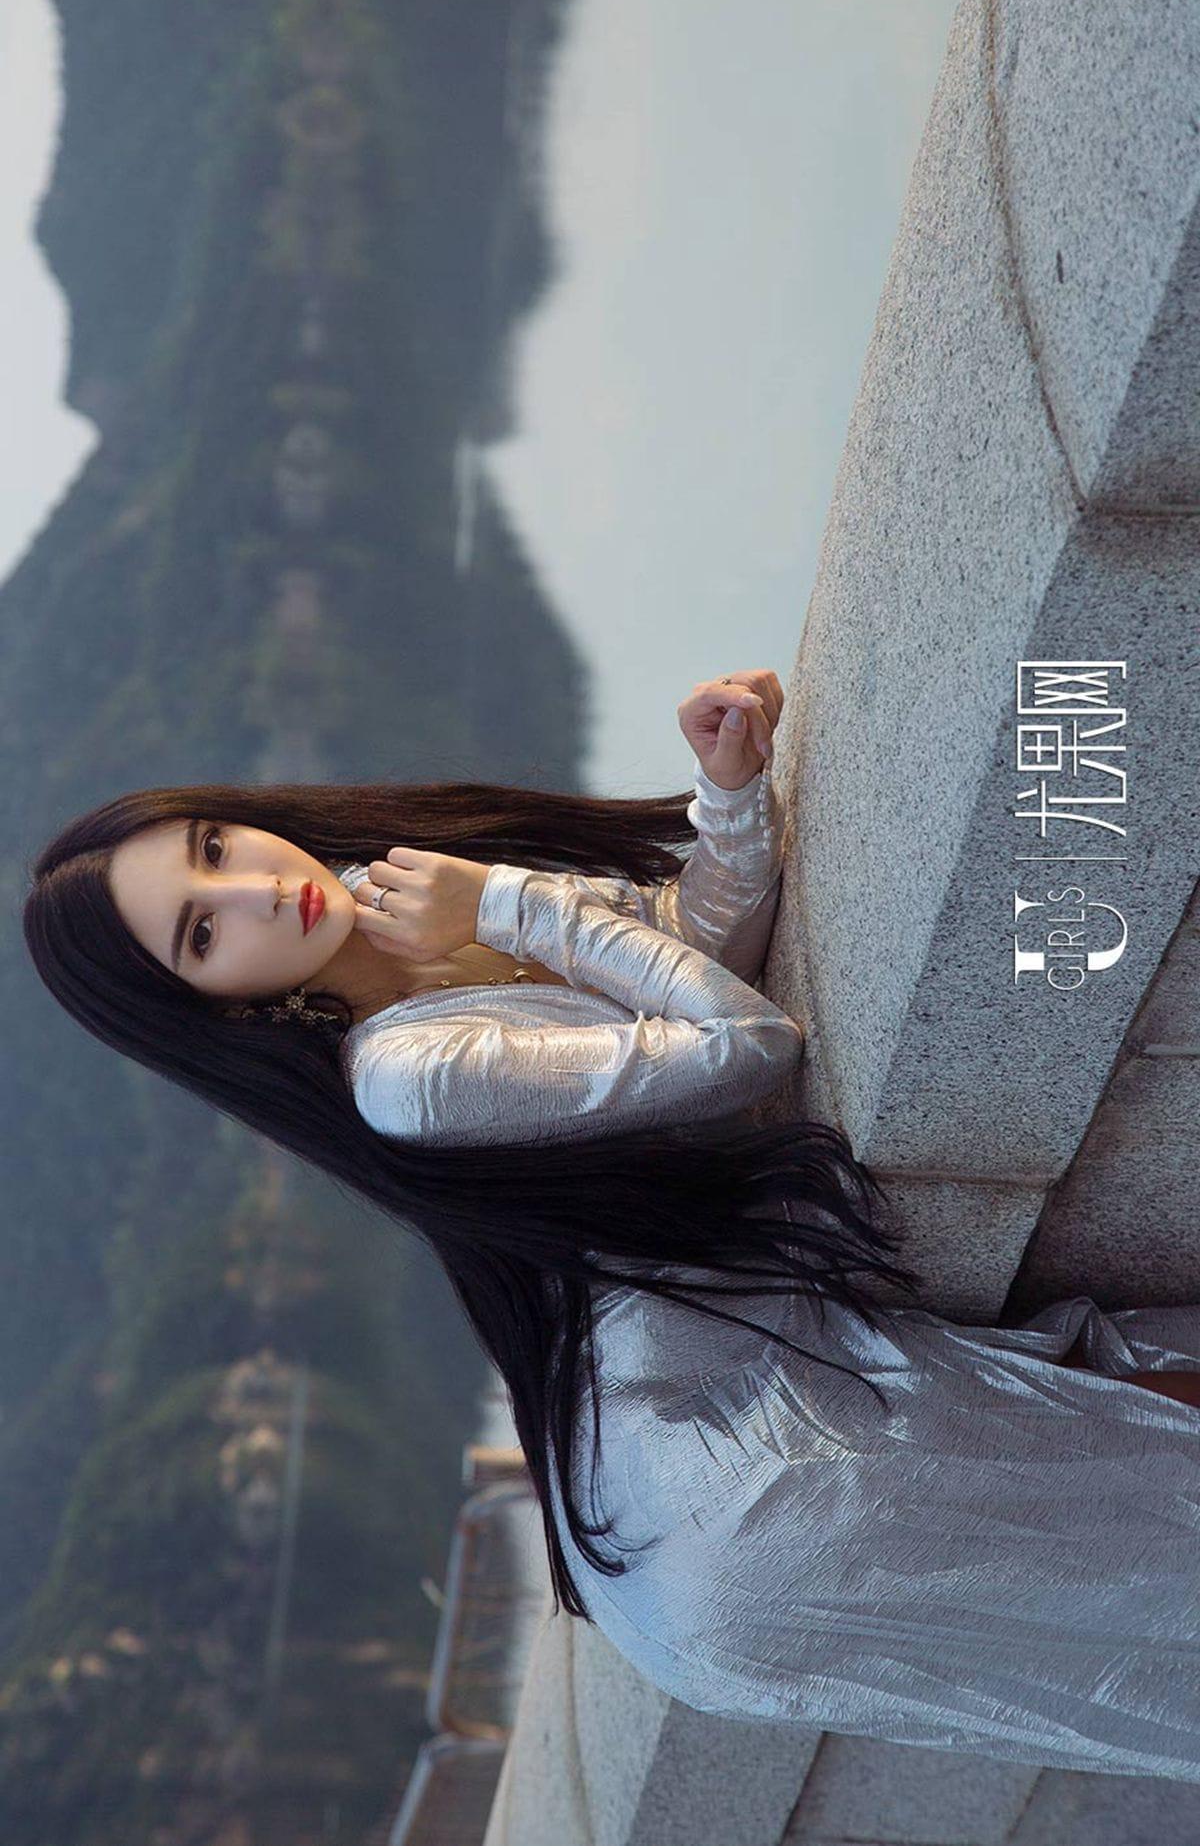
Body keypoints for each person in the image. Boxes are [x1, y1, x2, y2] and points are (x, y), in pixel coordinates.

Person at [22, 667, 1200, 1780]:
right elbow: (747, 1046)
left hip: (731, 1415)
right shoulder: (402, 1074)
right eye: (202, 933)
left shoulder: (413, 917)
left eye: (213, 849)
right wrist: (501, 898)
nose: (248, 891)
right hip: (733, 1495)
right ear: (220, 1009)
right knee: (1160, 1502)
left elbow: (677, 956)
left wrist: (728, 792)